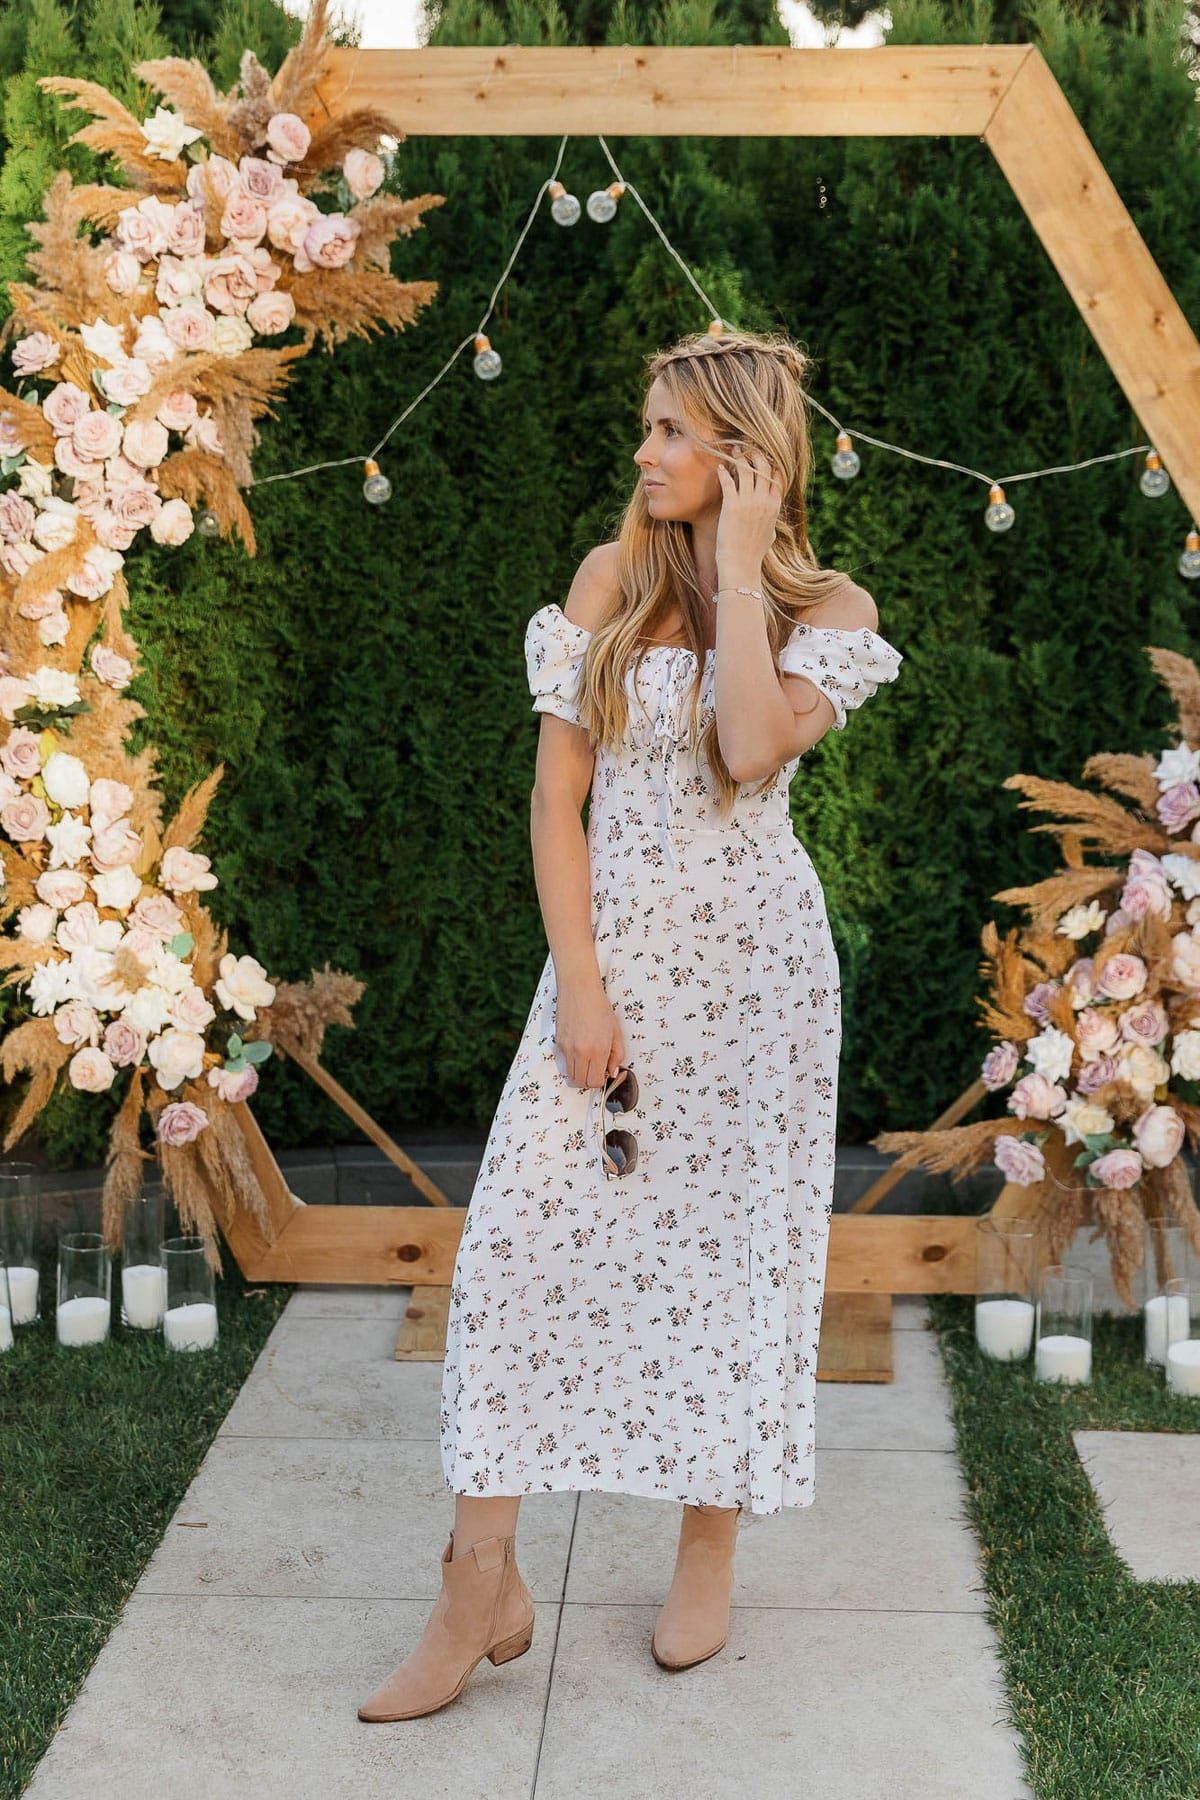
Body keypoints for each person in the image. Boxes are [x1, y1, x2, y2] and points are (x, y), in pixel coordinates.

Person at [357, 326, 904, 1723]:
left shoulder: (832, 608)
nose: (645, 452)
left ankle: (707, 1549)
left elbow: (747, 751)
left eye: (671, 431)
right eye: (648, 426)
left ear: (745, 454)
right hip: (609, 961)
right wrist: (582, 985)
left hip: (757, 986)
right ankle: (478, 1580)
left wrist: (741, 569)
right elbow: (558, 800)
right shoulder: (606, 578)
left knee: (732, 1257)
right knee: (515, 1254)